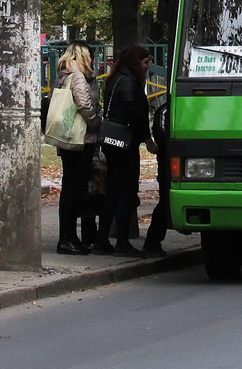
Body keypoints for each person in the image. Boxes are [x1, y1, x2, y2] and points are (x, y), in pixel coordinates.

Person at [93, 45, 157, 257]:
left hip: (112, 141)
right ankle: (121, 240)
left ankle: (102, 238)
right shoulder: (130, 83)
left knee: (114, 190)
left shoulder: (115, 78)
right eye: (145, 62)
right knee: (127, 191)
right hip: (125, 143)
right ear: (135, 62)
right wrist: (147, 139)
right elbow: (136, 114)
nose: (148, 67)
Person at [54, 42, 102, 255]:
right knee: (75, 188)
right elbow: (84, 104)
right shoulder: (78, 76)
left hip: (68, 138)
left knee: (70, 188)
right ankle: (67, 239)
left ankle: (69, 237)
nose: (92, 59)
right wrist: (95, 123)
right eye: (89, 56)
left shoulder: (63, 74)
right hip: (80, 138)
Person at [142, 95, 170, 258]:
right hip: (168, 165)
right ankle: (152, 242)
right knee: (166, 203)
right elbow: (161, 136)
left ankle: (153, 242)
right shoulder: (165, 111)